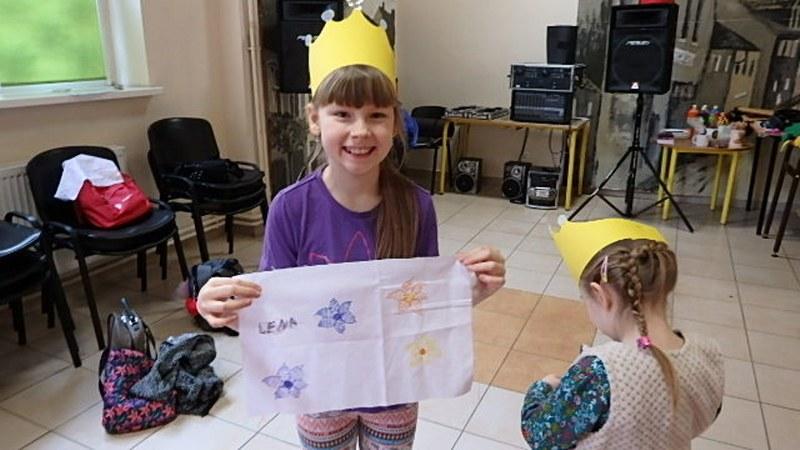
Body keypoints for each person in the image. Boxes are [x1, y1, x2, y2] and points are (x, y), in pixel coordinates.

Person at [196, 11, 505, 449]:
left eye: (376, 115)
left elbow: (420, 303)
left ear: (395, 122)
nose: (361, 131)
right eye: (342, 113)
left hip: (394, 388)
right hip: (319, 391)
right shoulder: (290, 209)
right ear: (314, 119)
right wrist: (220, 305)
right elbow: (273, 310)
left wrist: (471, 289)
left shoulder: (416, 206)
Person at [521, 218, 724, 450]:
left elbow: (541, 435)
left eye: (585, 299)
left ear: (602, 296)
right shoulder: (707, 353)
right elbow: (705, 416)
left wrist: (542, 389)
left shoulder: (598, 373)